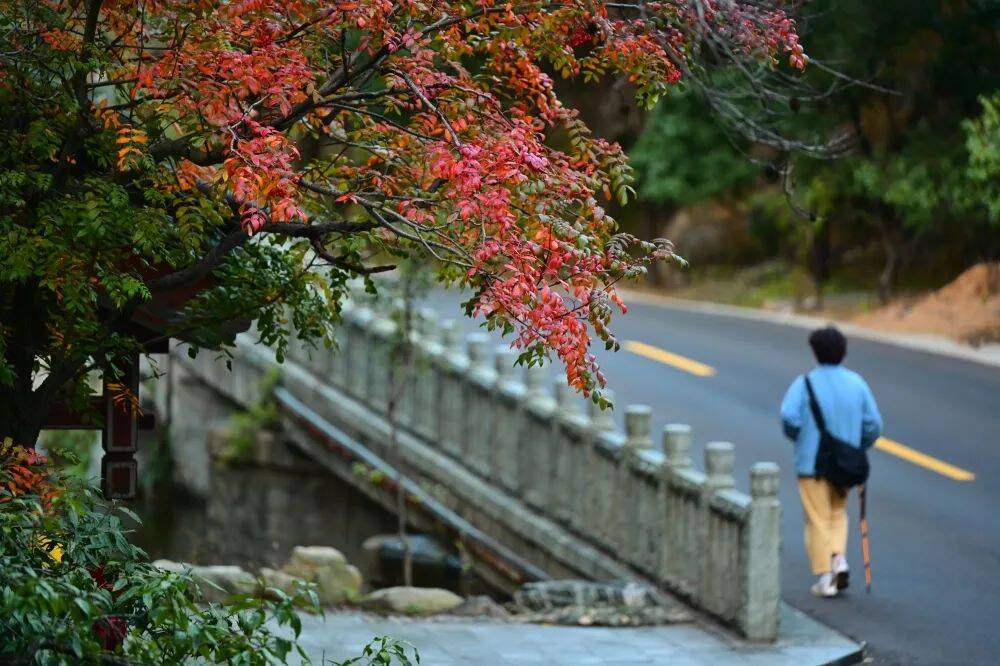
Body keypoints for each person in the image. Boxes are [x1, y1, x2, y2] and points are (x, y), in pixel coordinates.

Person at [780, 326, 883, 598]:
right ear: (843, 352)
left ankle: (825, 578)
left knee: (816, 519)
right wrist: (858, 445)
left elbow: (789, 418)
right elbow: (873, 424)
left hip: (811, 464)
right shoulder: (857, 384)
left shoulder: (804, 384)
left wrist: (799, 438)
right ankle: (839, 560)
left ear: (815, 352)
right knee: (837, 513)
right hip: (844, 465)